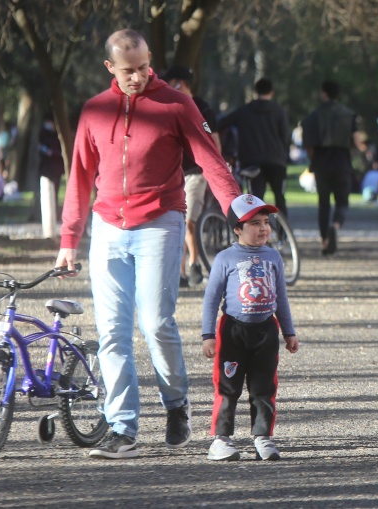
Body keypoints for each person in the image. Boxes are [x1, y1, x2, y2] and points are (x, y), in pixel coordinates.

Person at [55, 29, 240, 460]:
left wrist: (237, 209)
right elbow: (80, 177)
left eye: (143, 67)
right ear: (110, 68)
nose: (137, 76)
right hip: (107, 228)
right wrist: (69, 239)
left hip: (161, 220)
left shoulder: (176, 104)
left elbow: (210, 159)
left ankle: (176, 404)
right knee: (112, 332)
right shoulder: (95, 110)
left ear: (150, 58)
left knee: (156, 322)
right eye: (128, 70)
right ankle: (122, 428)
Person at [201, 194, 299, 461]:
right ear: (237, 229)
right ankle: (221, 439)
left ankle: (263, 437)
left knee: (264, 387)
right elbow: (211, 299)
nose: (263, 228)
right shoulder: (225, 258)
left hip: (266, 331)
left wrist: (289, 332)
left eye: (266, 222)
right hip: (232, 331)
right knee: (228, 386)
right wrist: (208, 335)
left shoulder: (274, 257)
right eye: (254, 223)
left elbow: (281, 297)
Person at [163, 64, 221, 287]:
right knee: (178, 222)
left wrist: (213, 168)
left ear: (179, 83)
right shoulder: (169, 106)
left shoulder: (201, 108)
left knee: (188, 222)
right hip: (175, 173)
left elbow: (214, 141)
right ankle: (181, 271)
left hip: (196, 172)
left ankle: (193, 264)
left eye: (170, 82)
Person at [217, 78, 291, 218]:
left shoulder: (244, 111)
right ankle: (283, 236)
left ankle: (257, 233)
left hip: (252, 162)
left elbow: (221, 124)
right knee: (280, 199)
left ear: (256, 92)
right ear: (272, 92)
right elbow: (286, 137)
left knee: (256, 200)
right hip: (276, 161)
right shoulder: (279, 111)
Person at [302, 80, 357, 255]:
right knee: (342, 201)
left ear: (323, 93)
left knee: (323, 203)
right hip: (342, 161)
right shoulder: (348, 115)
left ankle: (325, 241)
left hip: (321, 163)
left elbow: (308, 145)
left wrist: (313, 160)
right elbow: (355, 140)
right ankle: (335, 225)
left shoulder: (313, 116)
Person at [38, 115, 65, 214]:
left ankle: (55, 214)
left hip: (56, 168)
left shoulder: (56, 135)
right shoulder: (43, 134)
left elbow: (60, 152)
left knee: (55, 192)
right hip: (46, 168)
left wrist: (52, 152)